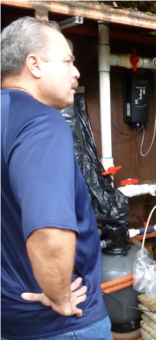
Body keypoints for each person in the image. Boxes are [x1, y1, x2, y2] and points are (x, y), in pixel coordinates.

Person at [1, 17, 112, 340]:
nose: (76, 72)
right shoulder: (41, 123)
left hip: (10, 317)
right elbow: (49, 232)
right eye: (67, 61)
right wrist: (62, 297)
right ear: (34, 64)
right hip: (62, 324)